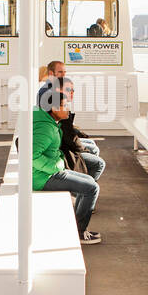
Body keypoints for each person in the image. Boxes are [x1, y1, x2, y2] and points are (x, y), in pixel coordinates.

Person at [33, 77, 102, 244]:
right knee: (91, 188)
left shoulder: (50, 121)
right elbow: (32, 156)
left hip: (49, 171)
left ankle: (76, 221)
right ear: (54, 109)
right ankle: (79, 232)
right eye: (64, 106)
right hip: (43, 177)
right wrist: (56, 167)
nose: (68, 110)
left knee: (89, 180)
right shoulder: (46, 128)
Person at [58, 77, 104, 180]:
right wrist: (84, 150)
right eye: (69, 90)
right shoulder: (59, 108)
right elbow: (69, 138)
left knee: (91, 145)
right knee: (98, 161)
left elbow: (69, 131)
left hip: (65, 147)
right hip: (63, 152)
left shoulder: (60, 105)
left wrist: (81, 136)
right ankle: (84, 185)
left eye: (73, 90)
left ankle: (84, 182)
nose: (72, 93)